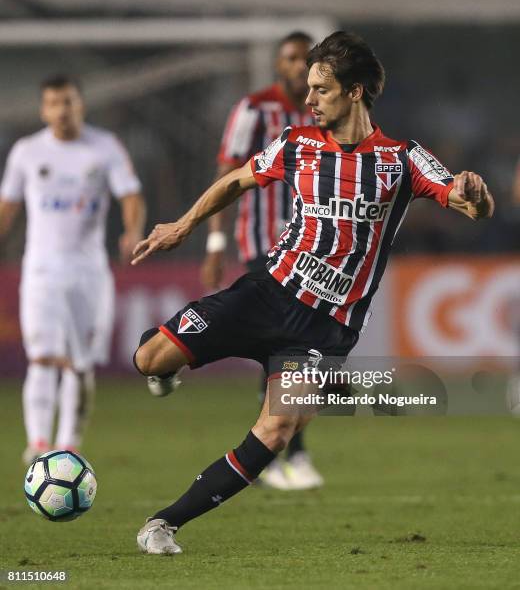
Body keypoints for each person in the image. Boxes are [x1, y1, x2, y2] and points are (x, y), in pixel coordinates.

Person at [131, 31, 494, 555]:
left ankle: (163, 524)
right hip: (266, 293)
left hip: (327, 329)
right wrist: (184, 226)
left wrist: (475, 196)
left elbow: (468, 205)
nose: (308, 99)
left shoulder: (403, 160)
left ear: (355, 92)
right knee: (147, 359)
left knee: (277, 428)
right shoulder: (298, 145)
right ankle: (163, 369)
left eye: (320, 88)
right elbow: (236, 181)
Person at [0, 74, 146, 465]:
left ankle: (68, 445)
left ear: (80, 105)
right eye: (53, 103)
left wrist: (132, 231)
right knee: (43, 356)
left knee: (79, 363)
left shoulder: (103, 148)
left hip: (88, 271)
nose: (61, 110)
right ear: (43, 109)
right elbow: (7, 207)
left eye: (67, 102)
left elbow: (130, 194)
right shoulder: (27, 152)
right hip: (41, 269)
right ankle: (39, 445)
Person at [201, 31, 322, 490]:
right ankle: (284, 455)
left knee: (299, 353)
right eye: (291, 58)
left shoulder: (323, 112)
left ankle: (279, 454)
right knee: (285, 350)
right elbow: (227, 174)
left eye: (306, 59)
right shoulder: (255, 109)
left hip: (310, 252)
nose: (298, 66)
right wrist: (215, 243)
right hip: (261, 244)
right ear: (278, 64)